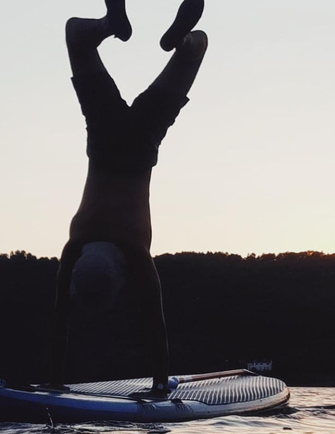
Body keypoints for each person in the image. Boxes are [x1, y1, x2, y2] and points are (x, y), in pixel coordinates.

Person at [48, 0, 207, 397]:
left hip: (140, 145)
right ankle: (106, 24)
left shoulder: (134, 250)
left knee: (196, 50)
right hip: (104, 140)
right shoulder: (77, 242)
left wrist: (159, 381)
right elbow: (58, 320)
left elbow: (156, 322)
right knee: (76, 39)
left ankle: (184, 42)